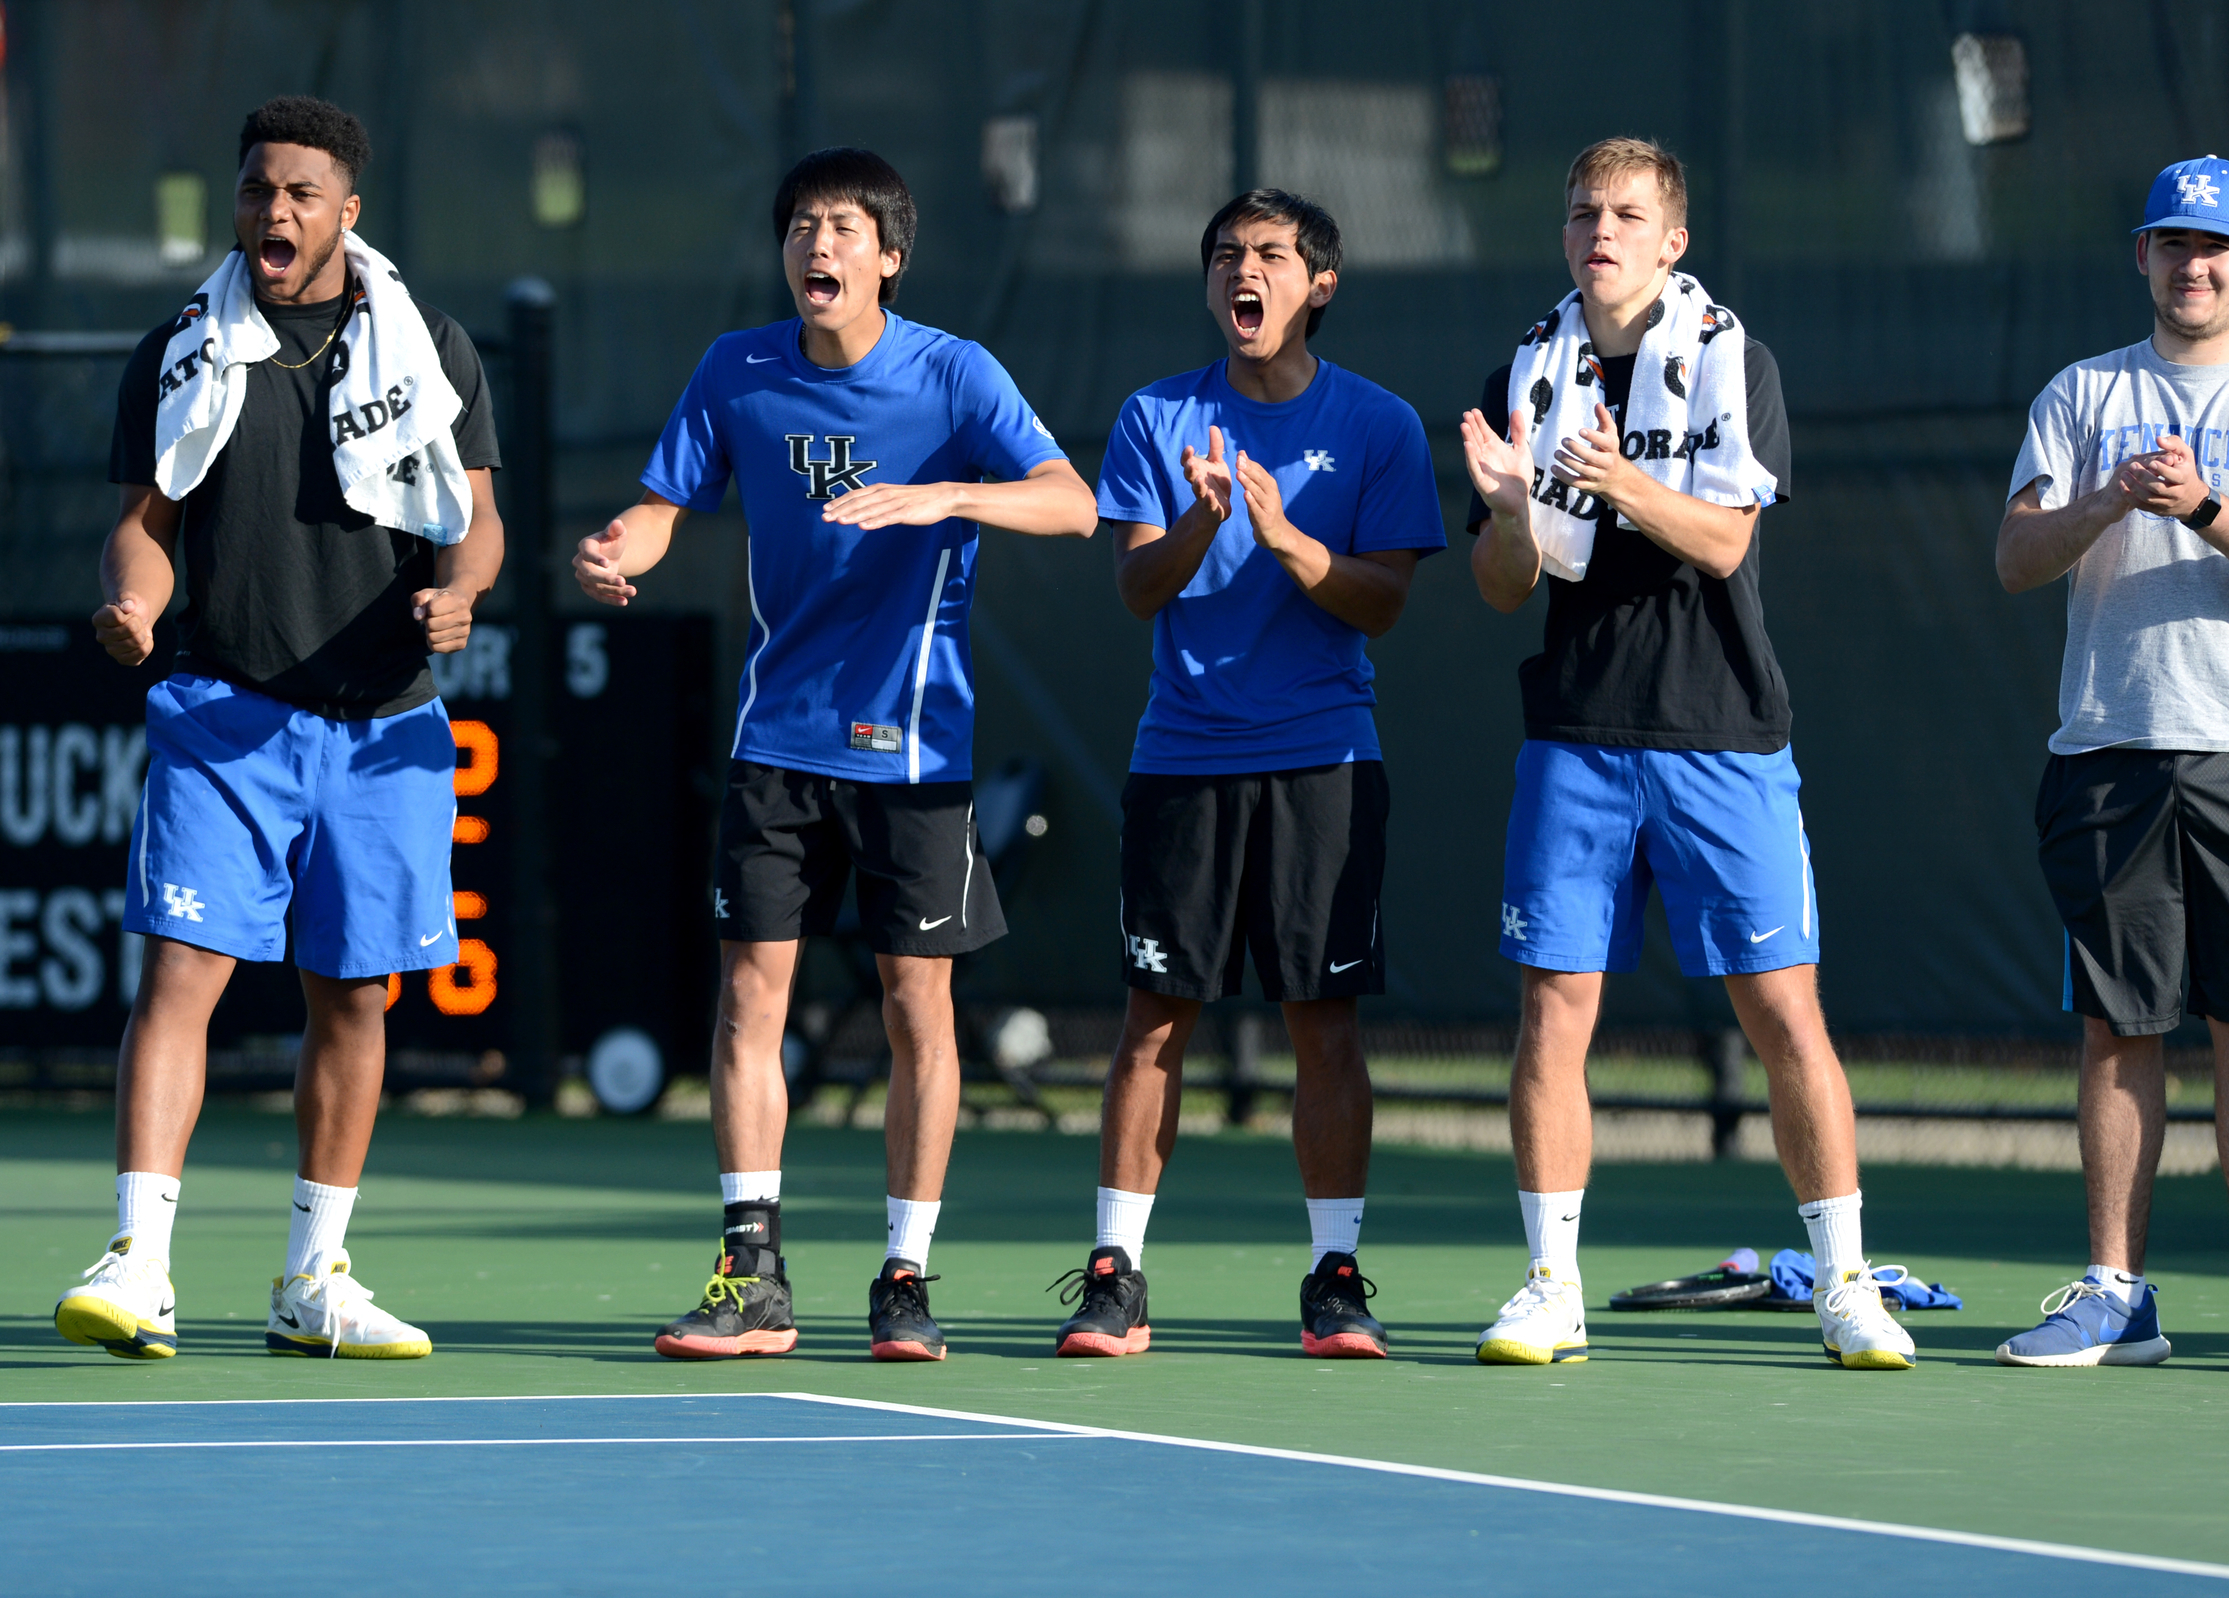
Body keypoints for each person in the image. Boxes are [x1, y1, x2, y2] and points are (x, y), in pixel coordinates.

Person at [576, 147, 1094, 1364]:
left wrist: (946, 498)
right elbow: (665, 502)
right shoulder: (736, 370)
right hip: (777, 744)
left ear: (890, 257)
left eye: (847, 227)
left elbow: (1073, 501)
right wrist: (623, 548)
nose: (821, 246)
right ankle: (751, 1271)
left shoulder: (954, 372)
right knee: (751, 997)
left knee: (920, 1005)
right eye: (804, 225)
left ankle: (904, 1274)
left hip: (913, 750)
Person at [55, 96, 504, 1361]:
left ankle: (315, 1278)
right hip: (222, 710)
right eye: (259, 189)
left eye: (303, 193)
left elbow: (476, 520)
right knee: (180, 978)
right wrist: (134, 602)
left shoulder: (432, 347)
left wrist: (463, 590)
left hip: (385, 727)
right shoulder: (183, 348)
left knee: (355, 997)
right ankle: (140, 1260)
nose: (276, 212)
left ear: (346, 211)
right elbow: (145, 522)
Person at [1457, 137, 1914, 1371]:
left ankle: (1842, 1284)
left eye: (1626, 214)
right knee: (1553, 1014)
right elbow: (1507, 587)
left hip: (1721, 735)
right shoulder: (1529, 371)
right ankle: (1552, 1285)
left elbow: (1721, 541)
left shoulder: (1730, 359)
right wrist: (1511, 509)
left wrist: (1611, 481)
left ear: (1673, 241)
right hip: (1577, 738)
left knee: (1784, 1015)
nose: (1597, 231)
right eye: (1580, 213)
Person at [1049, 190, 1447, 1362]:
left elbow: (1384, 599)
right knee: (1151, 1023)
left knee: (1321, 1022)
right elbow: (1136, 588)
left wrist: (1291, 544)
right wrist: (1200, 522)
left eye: (1271, 254)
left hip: (1326, 761)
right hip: (1182, 760)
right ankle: (1118, 1274)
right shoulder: (1155, 415)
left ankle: (1334, 1273)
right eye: (1227, 253)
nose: (1245, 270)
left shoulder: (1377, 424)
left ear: (1319, 284)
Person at [1993, 157, 2229, 1374]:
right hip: (2108, 753)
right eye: (2170, 243)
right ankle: (2117, 1294)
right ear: (2141, 256)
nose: (2191, 265)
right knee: (2116, 1027)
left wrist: (2203, 506)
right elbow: (2015, 558)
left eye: (2217, 246)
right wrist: (2108, 503)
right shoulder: (2081, 393)